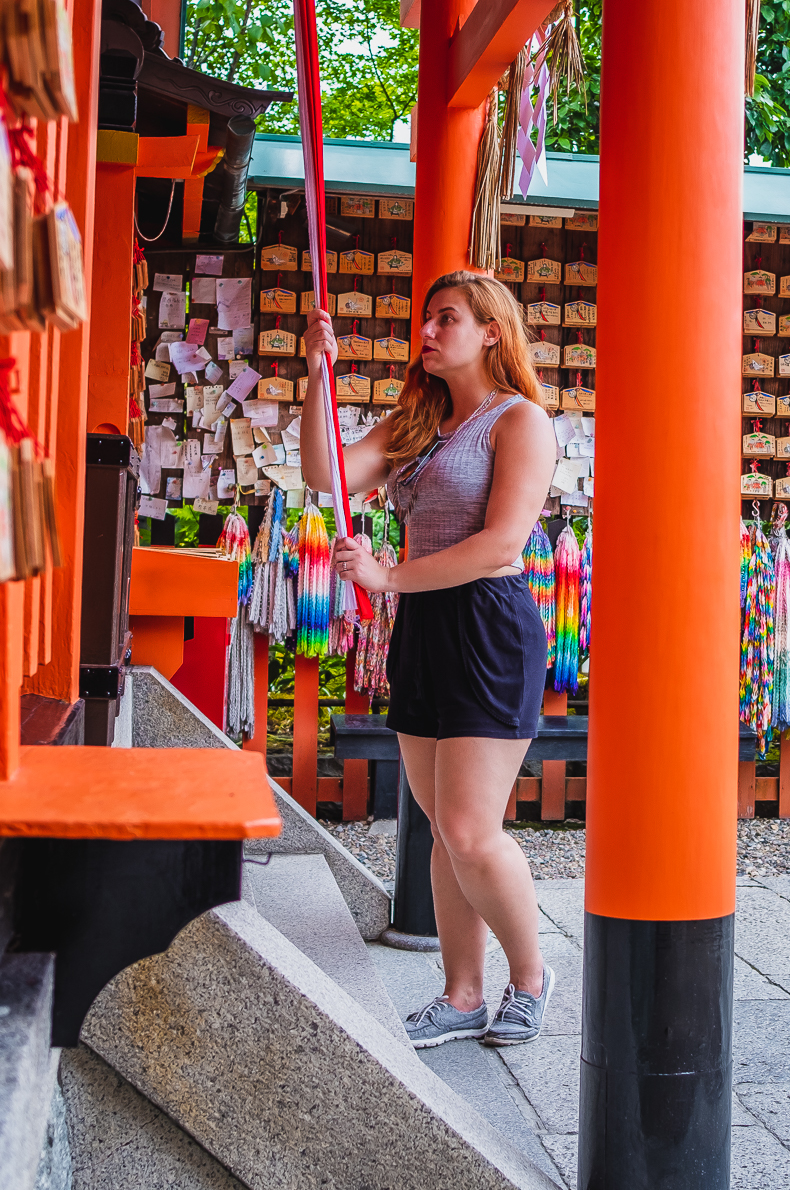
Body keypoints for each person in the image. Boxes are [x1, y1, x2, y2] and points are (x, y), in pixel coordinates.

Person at [301, 268, 559, 1048]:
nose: (430, 330)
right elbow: (327, 474)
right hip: (423, 629)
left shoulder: (520, 423)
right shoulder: (417, 421)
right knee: (447, 832)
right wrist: (318, 376)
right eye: (427, 318)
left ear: (491, 330)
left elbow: (501, 543)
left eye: (448, 318)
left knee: (470, 827)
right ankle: (460, 994)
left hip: (488, 626)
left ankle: (531, 977)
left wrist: (388, 576)